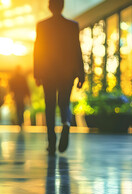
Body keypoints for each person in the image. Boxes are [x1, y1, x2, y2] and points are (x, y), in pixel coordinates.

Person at [33, 0, 85, 155]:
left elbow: (38, 50)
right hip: (67, 73)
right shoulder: (72, 25)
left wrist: (37, 73)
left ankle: (51, 142)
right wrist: (81, 74)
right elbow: (77, 50)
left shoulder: (42, 26)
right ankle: (66, 123)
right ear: (62, 6)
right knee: (64, 103)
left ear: (49, 7)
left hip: (48, 73)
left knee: (50, 105)